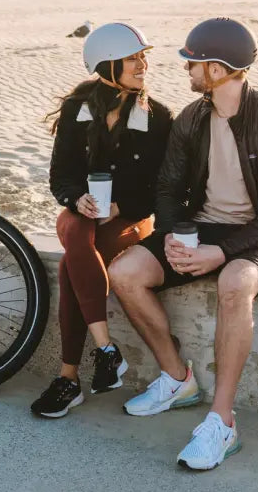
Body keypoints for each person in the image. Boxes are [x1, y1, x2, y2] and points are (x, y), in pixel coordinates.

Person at [108, 17, 258, 470]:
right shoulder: (193, 118)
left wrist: (221, 253)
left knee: (234, 284)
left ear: (218, 69)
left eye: (193, 64)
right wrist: (174, 239)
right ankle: (177, 378)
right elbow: (168, 186)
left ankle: (221, 421)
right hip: (203, 226)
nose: (186, 71)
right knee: (124, 274)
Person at [31, 23, 173, 418]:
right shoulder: (78, 110)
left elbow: (162, 189)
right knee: (76, 232)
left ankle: (70, 377)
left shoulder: (157, 117)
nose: (143, 63)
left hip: (130, 220)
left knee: (69, 266)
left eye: (144, 56)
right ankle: (105, 350)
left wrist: (119, 205)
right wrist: (76, 198)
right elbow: (60, 175)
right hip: (83, 217)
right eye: (133, 57)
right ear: (108, 65)